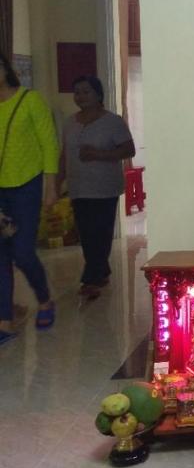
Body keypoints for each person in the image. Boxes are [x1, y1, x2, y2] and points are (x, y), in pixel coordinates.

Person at [57, 76, 135, 301]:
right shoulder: (70, 122)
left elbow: (129, 150)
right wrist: (57, 181)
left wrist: (99, 155)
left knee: (100, 233)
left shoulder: (113, 122)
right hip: (78, 187)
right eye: (77, 92)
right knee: (86, 233)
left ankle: (90, 279)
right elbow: (64, 154)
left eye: (86, 92)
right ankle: (102, 270)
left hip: (104, 188)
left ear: (98, 95)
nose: (80, 96)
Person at [0, 52, 59, 345]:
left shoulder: (29, 100)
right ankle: (5, 320)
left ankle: (45, 300)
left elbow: (49, 143)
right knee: (0, 256)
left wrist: (50, 186)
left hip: (27, 186)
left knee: (22, 252)